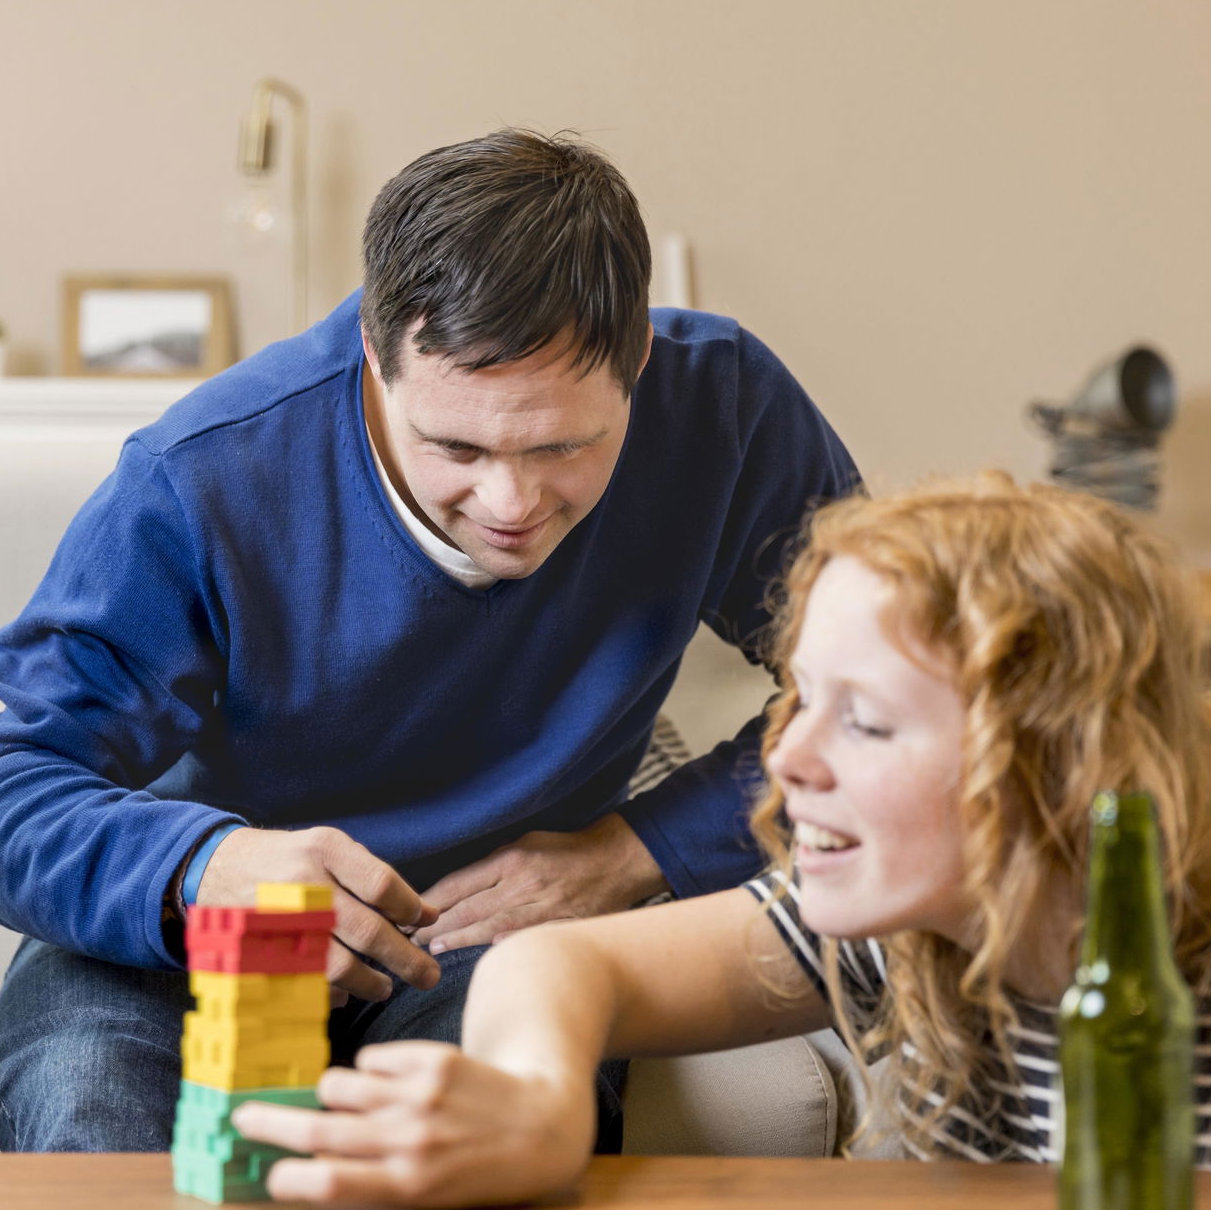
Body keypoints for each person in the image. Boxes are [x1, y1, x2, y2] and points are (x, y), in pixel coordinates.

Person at [0, 127, 857, 1152]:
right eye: (454, 445)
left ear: (635, 357)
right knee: (89, 1096)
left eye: (563, 445)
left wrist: (639, 849)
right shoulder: (204, 474)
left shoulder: (721, 410)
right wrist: (207, 862)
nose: (509, 503)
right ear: (375, 357)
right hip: (182, 931)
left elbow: (893, 702)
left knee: (493, 1132)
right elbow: (1, 788)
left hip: (484, 941)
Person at [230, 472, 1211, 1206]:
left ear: (1059, 755)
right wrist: (538, 1097)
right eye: (801, 700)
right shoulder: (902, 919)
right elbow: (558, 961)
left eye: (864, 721)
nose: (787, 762)